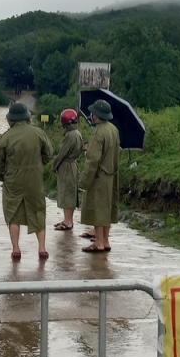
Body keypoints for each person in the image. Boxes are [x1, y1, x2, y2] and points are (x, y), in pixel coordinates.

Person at [0, 102, 53, 261]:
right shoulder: (39, 133)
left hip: (13, 180)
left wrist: (1, 177)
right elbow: (49, 154)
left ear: (10, 119)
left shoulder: (6, 137)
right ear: (27, 117)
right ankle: (42, 248)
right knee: (38, 211)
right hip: (34, 178)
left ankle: (16, 249)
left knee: (13, 213)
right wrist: (38, 165)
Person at [79, 99, 120, 253]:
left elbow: (93, 159)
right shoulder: (114, 129)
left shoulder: (98, 132)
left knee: (97, 208)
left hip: (99, 175)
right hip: (112, 174)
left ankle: (99, 243)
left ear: (96, 115)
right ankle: (106, 240)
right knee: (107, 208)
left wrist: (84, 179)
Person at [52, 108, 83, 232]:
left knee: (66, 193)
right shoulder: (77, 133)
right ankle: (68, 220)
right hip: (73, 165)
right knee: (71, 191)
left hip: (67, 166)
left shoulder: (70, 135)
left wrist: (54, 165)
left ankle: (68, 221)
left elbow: (62, 153)